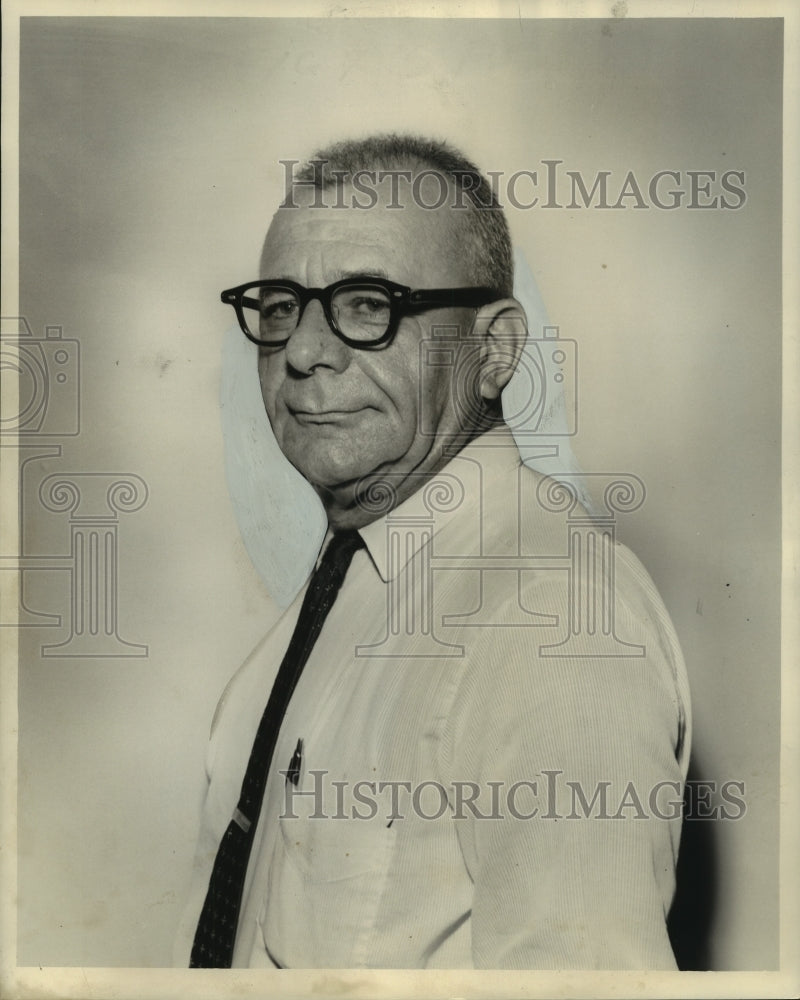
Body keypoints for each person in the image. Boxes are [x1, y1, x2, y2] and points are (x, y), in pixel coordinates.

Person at [176, 134, 691, 970]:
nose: (303, 352)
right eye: (280, 306)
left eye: (367, 303)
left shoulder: (553, 621)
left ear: (493, 350)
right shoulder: (348, 579)